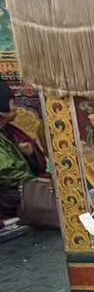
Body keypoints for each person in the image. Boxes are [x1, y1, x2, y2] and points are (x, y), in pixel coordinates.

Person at [0, 83, 43, 220]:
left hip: (23, 184)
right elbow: (6, 173)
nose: (16, 108)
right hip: (7, 193)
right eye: (12, 104)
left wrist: (30, 154)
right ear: (2, 112)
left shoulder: (8, 130)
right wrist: (37, 182)